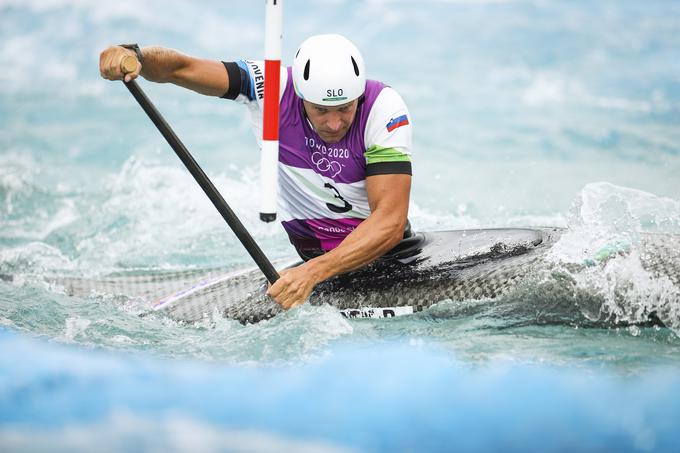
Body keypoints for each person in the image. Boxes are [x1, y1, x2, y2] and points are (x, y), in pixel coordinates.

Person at [99, 34, 413, 310]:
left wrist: (312, 273)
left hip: (387, 259)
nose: (334, 123)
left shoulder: (382, 108)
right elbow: (181, 67)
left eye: (345, 108)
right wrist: (136, 56)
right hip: (312, 261)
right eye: (320, 109)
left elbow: (390, 220)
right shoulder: (271, 87)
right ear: (301, 96)